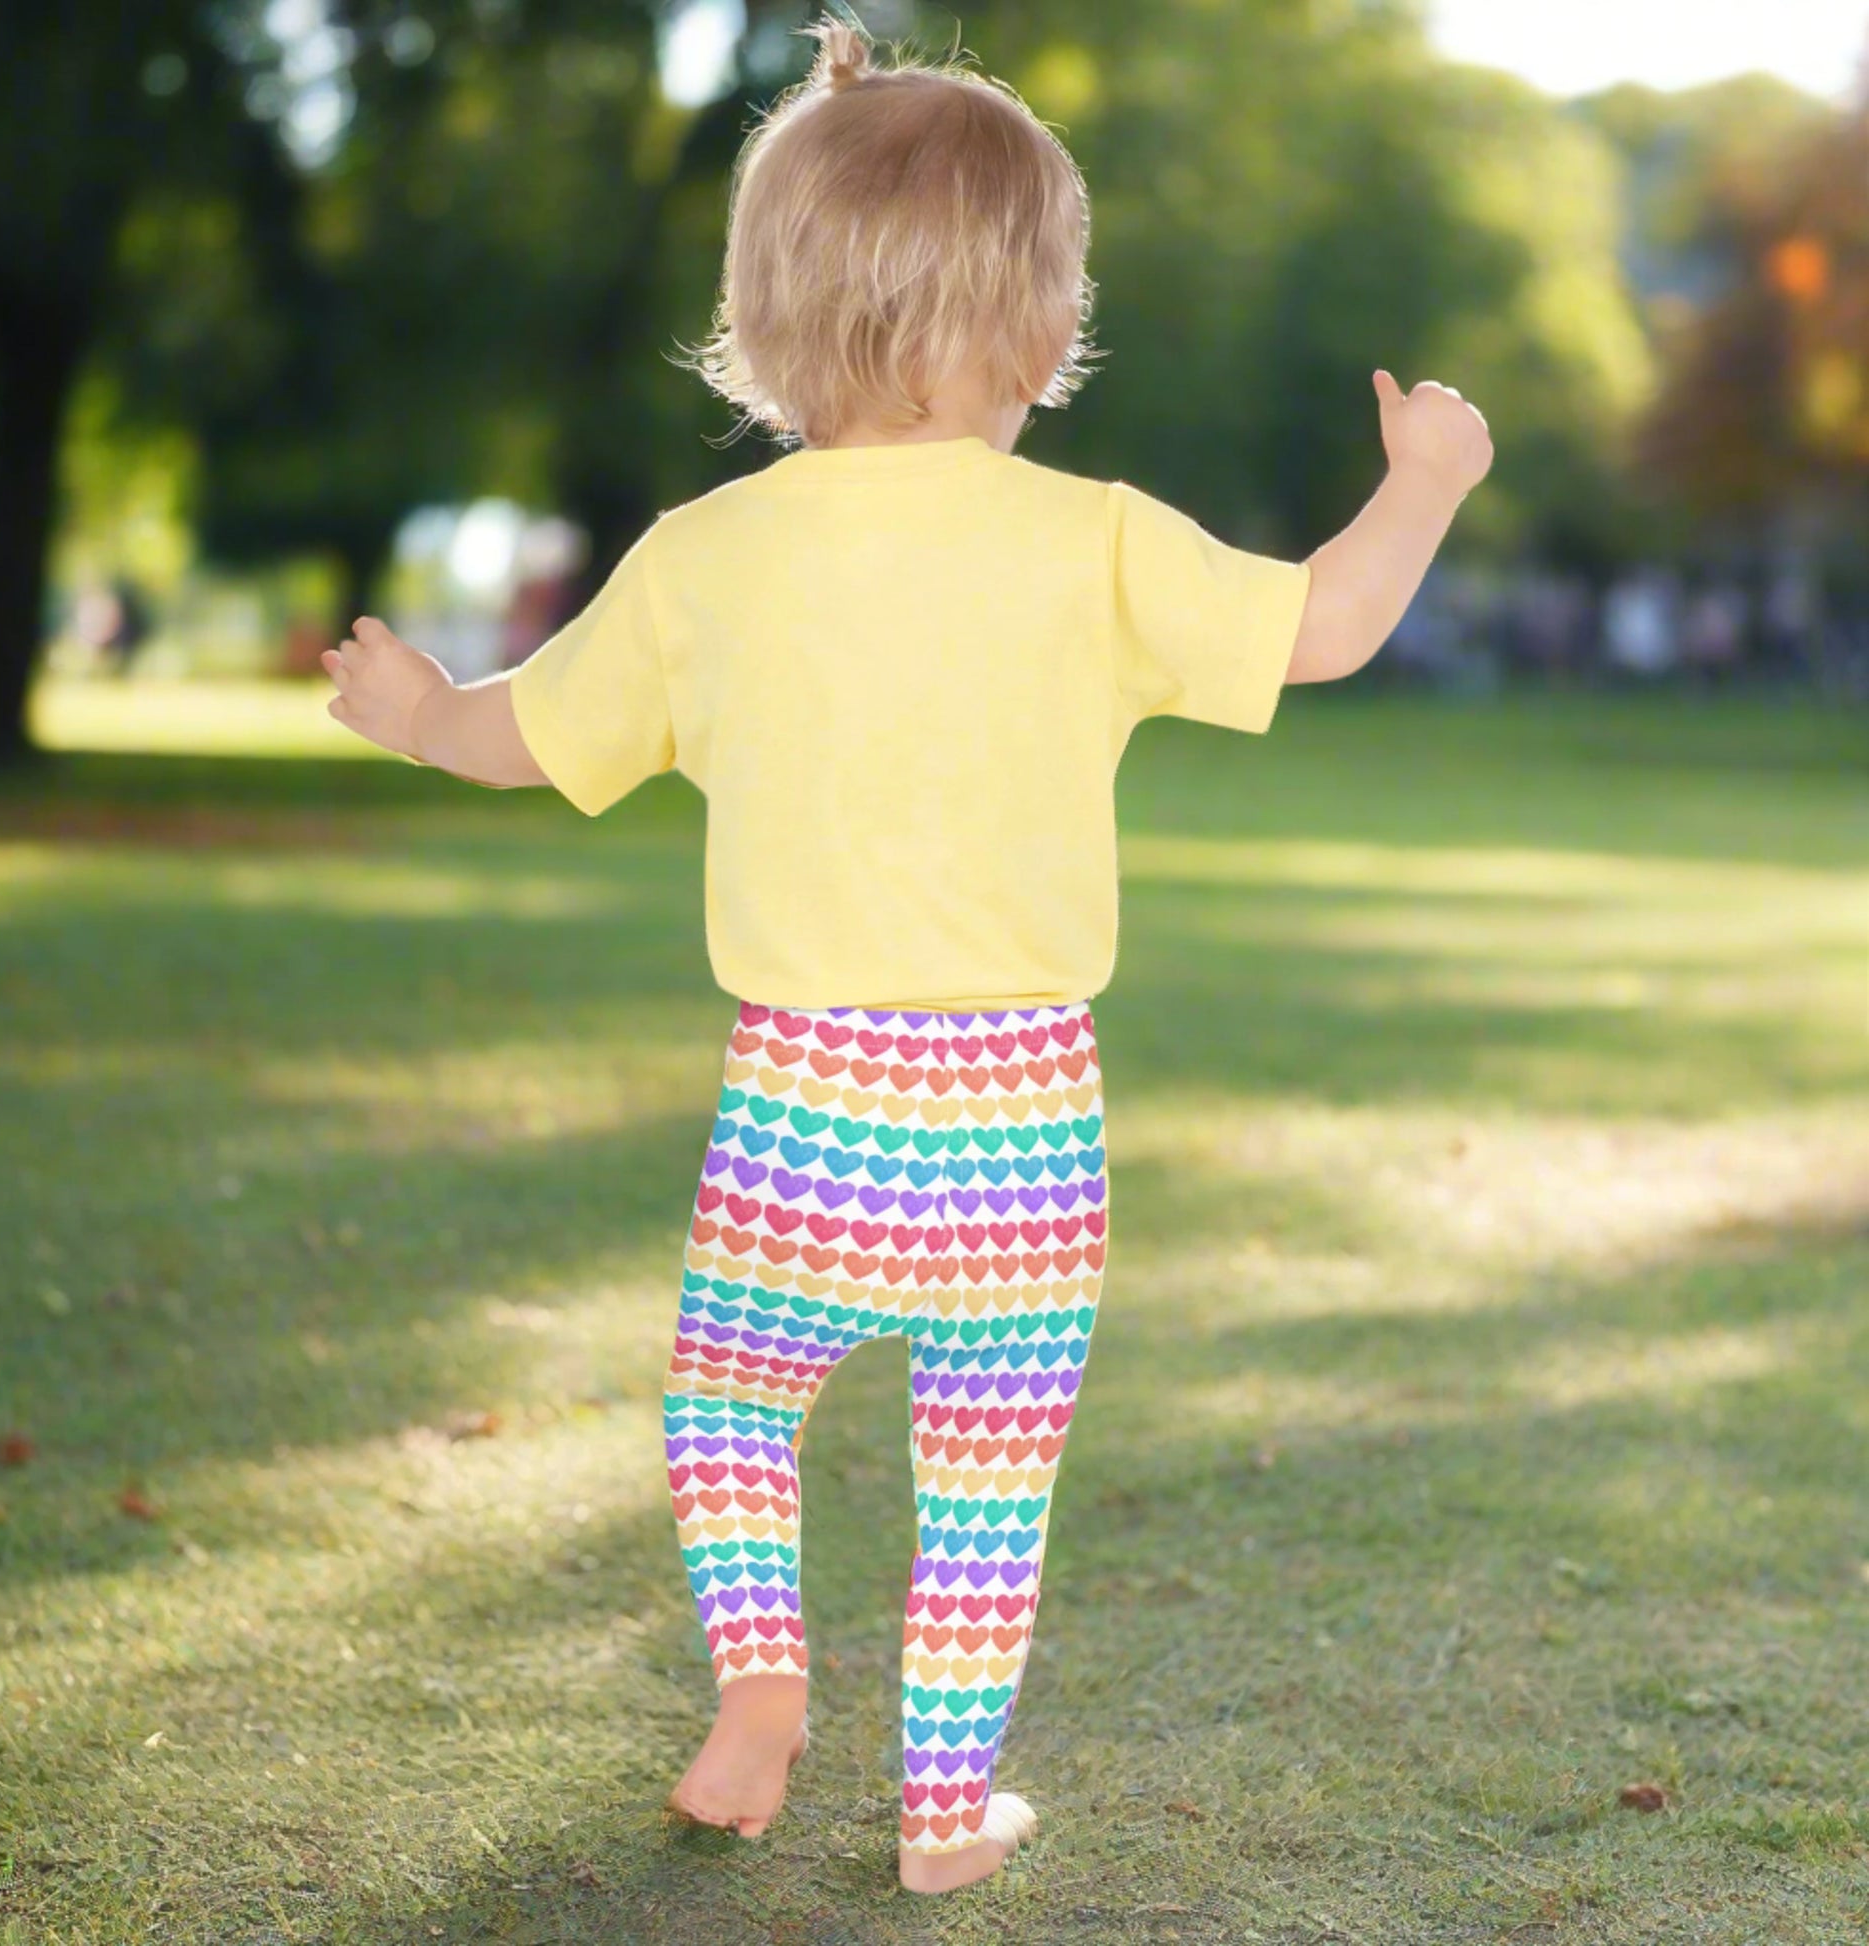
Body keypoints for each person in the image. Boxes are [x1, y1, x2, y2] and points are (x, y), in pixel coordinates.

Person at [319, 19, 1491, 1897]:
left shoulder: (710, 554)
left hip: (806, 1105)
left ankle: (762, 1680)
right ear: (1036, 328)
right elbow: (1330, 627)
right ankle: (944, 1813)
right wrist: (1427, 472)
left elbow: (520, 734)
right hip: (1024, 1122)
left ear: (770, 324)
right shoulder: (1092, 541)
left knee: (729, 1398)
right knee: (983, 1493)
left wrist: (411, 705)